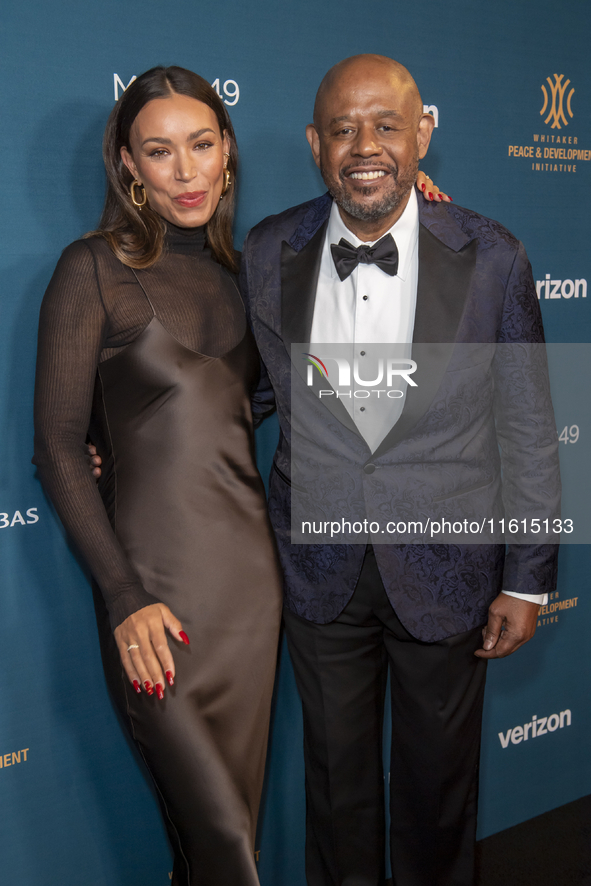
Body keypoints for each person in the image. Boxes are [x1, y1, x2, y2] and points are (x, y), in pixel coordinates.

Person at [240, 55, 560, 886]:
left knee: (437, 794)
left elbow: (529, 428)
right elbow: (249, 390)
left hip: (450, 570)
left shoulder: (492, 255)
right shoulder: (268, 248)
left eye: (386, 125)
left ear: (423, 133)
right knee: (336, 793)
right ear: (315, 143)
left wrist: (527, 582)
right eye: (342, 128)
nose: (364, 146)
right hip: (319, 569)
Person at [33, 66, 285, 886]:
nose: (185, 171)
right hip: (153, 602)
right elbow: (59, 446)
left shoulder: (252, 276)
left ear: (227, 152)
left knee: (215, 847)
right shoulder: (91, 269)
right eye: (159, 151)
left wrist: (418, 209)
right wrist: (122, 595)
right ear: (128, 166)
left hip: (248, 593)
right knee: (222, 845)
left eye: (201, 144)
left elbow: (255, 400)